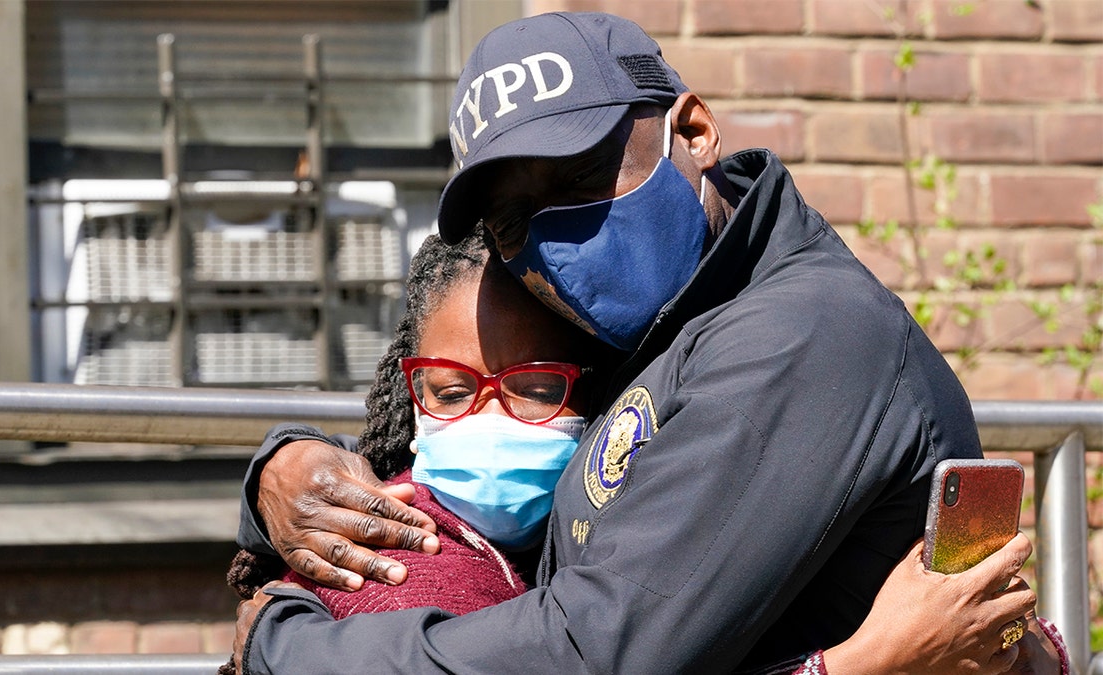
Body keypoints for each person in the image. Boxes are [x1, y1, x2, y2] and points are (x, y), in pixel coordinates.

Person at [232, 11, 1066, 674]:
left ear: (694, 132)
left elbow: (597, 650)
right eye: (516, 220)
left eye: (581, 176)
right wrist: (280, 469)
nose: (556, 241)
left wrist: (289, 647)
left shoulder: (798, 336)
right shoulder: (657, 324)